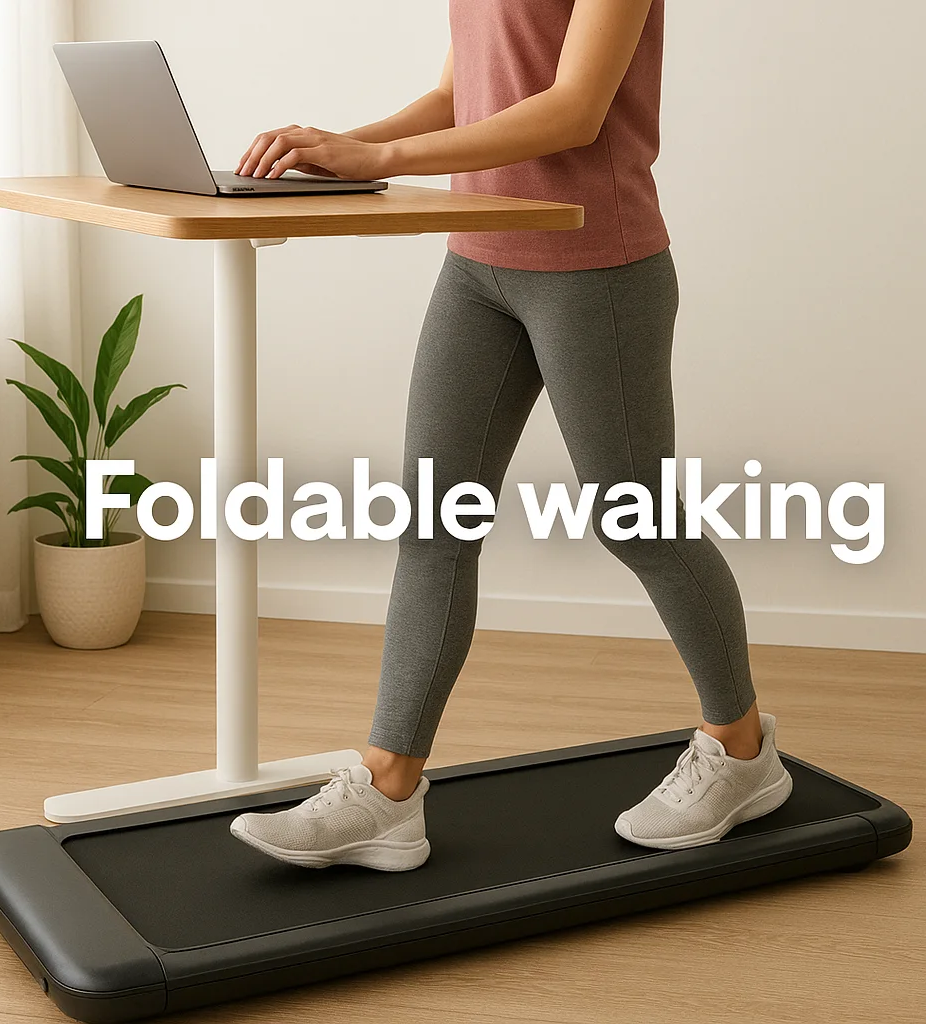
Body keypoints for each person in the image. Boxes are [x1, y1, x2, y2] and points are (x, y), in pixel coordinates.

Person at [228, 0, 792, 871]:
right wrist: (335, 153)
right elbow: (464, 93)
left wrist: (379, 158)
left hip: (595, 267)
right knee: (434, 522)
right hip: (478, 264)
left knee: (637, 520)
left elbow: (574, 109)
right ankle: (388, 789)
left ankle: (744, 752)